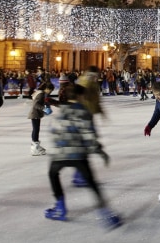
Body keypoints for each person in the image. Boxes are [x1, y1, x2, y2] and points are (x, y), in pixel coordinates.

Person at [44, 84, 121, 230]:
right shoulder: (84, 112)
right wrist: (99, 151)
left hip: (59, 152)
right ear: (80, 96)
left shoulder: (61, 111)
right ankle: (105, 213)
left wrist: (56, 149)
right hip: (78, 153)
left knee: (53, 174)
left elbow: (52, 129)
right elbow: (89, 134)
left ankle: (60, 207)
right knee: (91, 183)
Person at [28, 82, 55, 156]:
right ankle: (34, 147)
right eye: (50, 90)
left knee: (36, 129)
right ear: (46, 89)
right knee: (36, 130)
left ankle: (35, 145)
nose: (50, 92)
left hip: (36, 113)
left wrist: (46, 107)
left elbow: (43, 102)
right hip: (35, 113)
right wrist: (44, 109)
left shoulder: (41, 93)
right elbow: (35, 104)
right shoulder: (41, 94)